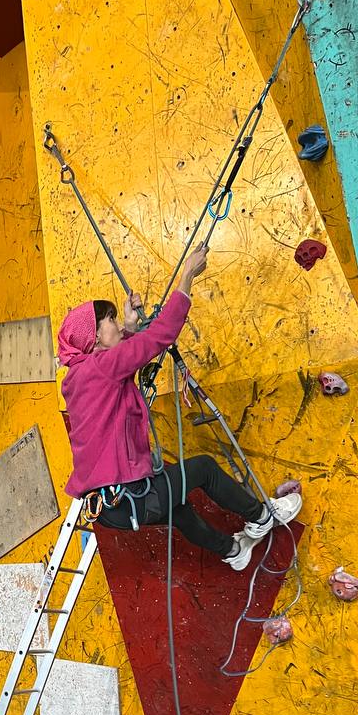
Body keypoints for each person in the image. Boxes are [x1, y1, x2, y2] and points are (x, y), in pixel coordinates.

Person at [58, 242, 301, 570]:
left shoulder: (78, 377)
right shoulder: (100, 368)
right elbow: (158, 337)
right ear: (95, 337)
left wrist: (129, 327)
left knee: (178, 509)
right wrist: (187, 277)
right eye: (111, 320)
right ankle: (262, 517)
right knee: (204, 469)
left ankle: (233, 551)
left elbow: (122, 359)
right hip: (131, 497)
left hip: (112, 510)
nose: (115, 324)